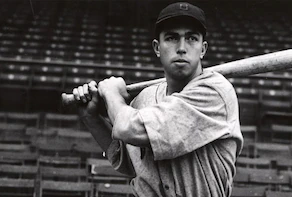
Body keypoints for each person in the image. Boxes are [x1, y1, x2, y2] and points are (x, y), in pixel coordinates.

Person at [72, 2, 243, 197]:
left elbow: (128, 128)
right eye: (171, 38)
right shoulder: (145, 98)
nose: (181, 48)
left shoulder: (215, 92)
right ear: (157, 47)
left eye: (191, 38)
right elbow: (127, 161)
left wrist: (111, 93)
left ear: (203, 49)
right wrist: (91, 118)